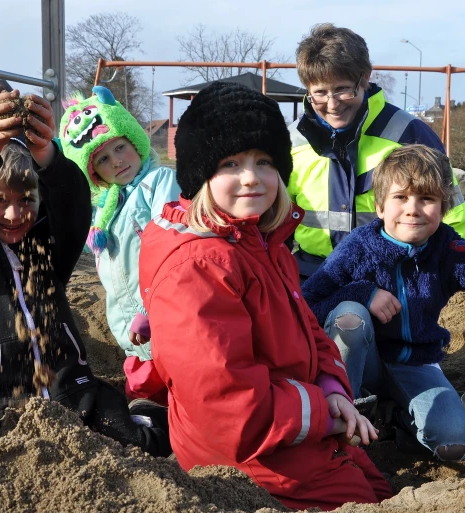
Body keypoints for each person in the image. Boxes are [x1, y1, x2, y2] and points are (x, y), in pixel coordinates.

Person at [138, 82, 393, 511]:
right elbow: (225, 403)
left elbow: (307, 327)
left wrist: (331, 385)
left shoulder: (259, 242)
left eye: (264, 162)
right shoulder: (199, 268)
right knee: (360, 497)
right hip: (247, 460)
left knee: (377, 491)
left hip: (287, 425)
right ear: (200, 176)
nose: (251, 177)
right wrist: (322, 411)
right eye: (231, 164)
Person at [0, 90, 170, 456]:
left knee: (153, 442)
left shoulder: (47, 252)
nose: (14, 213)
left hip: (78, 398)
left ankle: (147, 410)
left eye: (26, 199)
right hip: (2, 411)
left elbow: (72, 201)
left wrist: (45, 153)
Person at [302, 145, 465, 461]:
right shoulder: (358, 248)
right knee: (351, 317)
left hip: (415, 364)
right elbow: (306, 306)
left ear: (442, 209)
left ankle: (393, 417)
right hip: (358, 364)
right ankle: (341, 420)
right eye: (400, 198)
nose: (413, 209)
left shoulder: (446, 250)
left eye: (427, 199)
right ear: (379, 207)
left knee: (455, 445)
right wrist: (363, 293)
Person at [289, 23, 465, 281]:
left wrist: (425, 284)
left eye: (342, 89)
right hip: (311, 276)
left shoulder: (410, 136)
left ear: (365, 77)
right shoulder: (293, 142)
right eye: (319, 93)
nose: (332, 104)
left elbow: (451, 218)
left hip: (392, 277)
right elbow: (272, 222)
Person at [60, 86, 180, 406]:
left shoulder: (158, 183)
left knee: (184, 396)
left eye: (120, 148)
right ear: (93, 172)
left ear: (134, 141)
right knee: (143, 403)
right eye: (102, 158)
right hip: (134, 339)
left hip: (168, 325)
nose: (116, 161)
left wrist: (149, 309)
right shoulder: (104, 212)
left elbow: (174, 251)